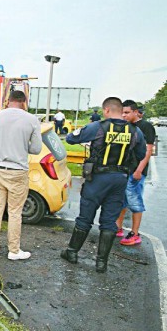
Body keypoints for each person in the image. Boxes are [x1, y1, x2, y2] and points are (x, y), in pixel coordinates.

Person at [61, 97, 146, 273]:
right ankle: (101, 263)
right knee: (109, 221)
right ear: (120, 110)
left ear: (106, 110)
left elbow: (70, 138)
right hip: (119, 179)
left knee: (85, 217)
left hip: (98, 179)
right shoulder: (135, 131)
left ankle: (72, 252)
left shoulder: (98, 127)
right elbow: (142, 152)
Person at [0, 90, 42, 261]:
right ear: (24, 102)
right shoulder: (32, 120)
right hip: (18, 171)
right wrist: (22, 146)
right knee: (15, 212)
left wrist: (1, 146)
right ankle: (14, 250)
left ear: (8, 101)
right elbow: (36, 149)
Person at [115, 100, 156, 246]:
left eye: (126, 112)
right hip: (124, 170)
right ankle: (117, 228)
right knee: (121, 200)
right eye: (122, 113)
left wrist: (139, 170)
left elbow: (148, 150)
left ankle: (135, 233)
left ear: (135, 112)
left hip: (136, 172)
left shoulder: (145, 127)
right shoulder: (125, 126)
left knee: (135, 201)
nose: (124, 115)